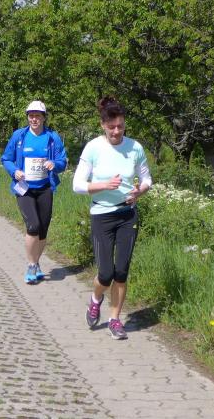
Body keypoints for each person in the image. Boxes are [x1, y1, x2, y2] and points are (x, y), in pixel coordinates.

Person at [72, 96, 152, 339]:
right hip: (102, 215)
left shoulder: (135, 148)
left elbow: (147, 179)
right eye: (111, 127)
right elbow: (77, 185)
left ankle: (115, 320)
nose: (116, 131)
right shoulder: (93, 147)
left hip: (127, 214)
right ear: (102, 125)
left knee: (121, 272)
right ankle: (96, 298)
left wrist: (140, 191)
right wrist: (104, 185)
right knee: (105, 273)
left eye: (120, 126)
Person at [1, 101, 68, 285]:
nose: (34, 119)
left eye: (38, 116)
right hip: (25, 189)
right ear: (28, 117)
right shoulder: (19, 136)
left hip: (45, 188)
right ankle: (31, 265)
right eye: (31, 116)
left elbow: (63, 161)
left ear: (44, 118)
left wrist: (55, 164)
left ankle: (36, 262)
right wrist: (14, 171)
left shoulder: (52, 137)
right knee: (33, 226)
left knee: (43, 229)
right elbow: (6, 158)